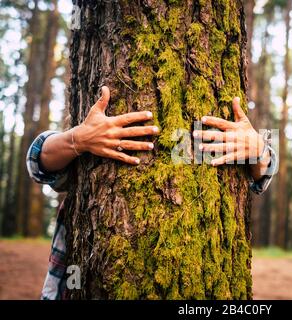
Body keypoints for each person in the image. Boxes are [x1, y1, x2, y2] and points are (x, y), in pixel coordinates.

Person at [27, 86, 277, 299]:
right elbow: (37, 161)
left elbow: (263, 175)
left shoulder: (241, 141)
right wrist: (78, 139)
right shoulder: (86, 142)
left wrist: (260, 149)